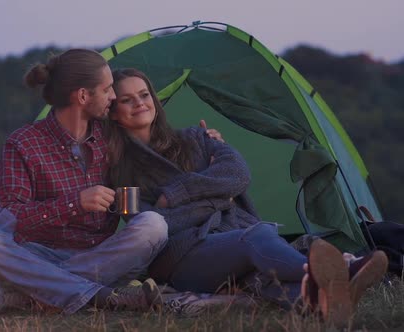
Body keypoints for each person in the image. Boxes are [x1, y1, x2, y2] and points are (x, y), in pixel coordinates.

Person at [104, 67, 388, 325]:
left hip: (231, 236)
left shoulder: (196, 138)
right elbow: (147, 226)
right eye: (127, 100)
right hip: (180, 258)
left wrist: (177, 193)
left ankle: (323, 302)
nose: (140, 102)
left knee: (262, 279)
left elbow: (238, 174)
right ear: (114, 111)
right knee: (257, 236)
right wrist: (218, 196)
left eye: (144, 94)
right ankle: (340, 274)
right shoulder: (121, 173)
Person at [0, 50, 169, 315]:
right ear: (83, 96)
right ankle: (103, 297)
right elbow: (6, 218)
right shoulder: (24, 142)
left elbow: (159, 145)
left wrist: (204, 140)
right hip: (37, 254)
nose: (114, 97)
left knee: (153, 226)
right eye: (107, 89)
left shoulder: (112, 135)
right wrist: (75, 204)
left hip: (100, 256)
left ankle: (28, 293)